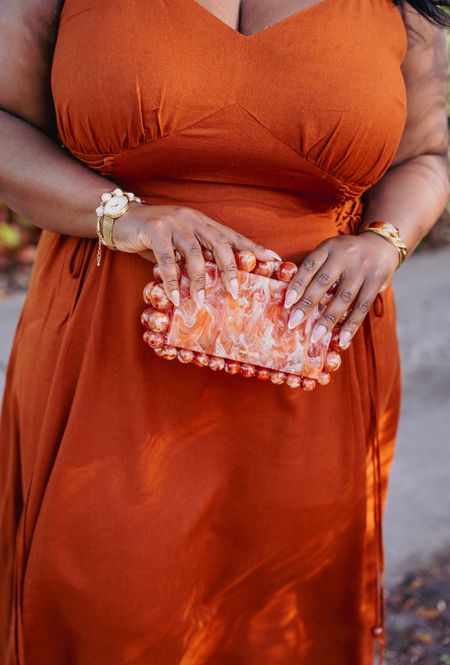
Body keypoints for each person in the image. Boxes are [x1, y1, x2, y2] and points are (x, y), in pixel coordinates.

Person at [0, 1, 448, 663]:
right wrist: (125, 217)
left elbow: (428, 156)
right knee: (100, 608)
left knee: (287, 622)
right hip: (109, 356)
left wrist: (385, 242)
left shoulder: (400, 8)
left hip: (309, 366)